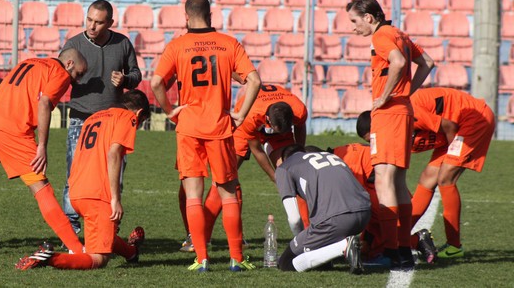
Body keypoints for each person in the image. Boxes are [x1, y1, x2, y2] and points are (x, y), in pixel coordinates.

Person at [151, 0, 262, 272]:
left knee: (193, 195)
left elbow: (155, 83)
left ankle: (201, 258)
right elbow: (254, 80)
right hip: (219, 126)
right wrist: (240, 114)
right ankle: (236, 258)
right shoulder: (228, 43)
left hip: (188, 127)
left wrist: (170, 111)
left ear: (186, 17)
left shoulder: (177, 46)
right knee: (228, 193)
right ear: (210, 16)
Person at [0, 49, 88, 256]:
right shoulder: (60, 73)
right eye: (78, 74)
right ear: (70, 63)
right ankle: (76, 248)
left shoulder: (29, 62)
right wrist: (42, 146)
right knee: (41, 188)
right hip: (12, 129)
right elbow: (44, 104)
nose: (77, 80)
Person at [15, 89, 151, 270]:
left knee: (103, 232)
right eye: (141, 122)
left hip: (77, 191)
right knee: (99, 259)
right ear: (139, 113)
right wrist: (115, 199)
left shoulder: (93, 118)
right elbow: (113, 154)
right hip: (98, 193)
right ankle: (50, 258)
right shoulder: (127, 117)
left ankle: (131, 252)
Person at [346, 0, 434, 269]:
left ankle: (391, 251)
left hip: (388, 115)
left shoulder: (381, 35)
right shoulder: (399, 34)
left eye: (354, 21)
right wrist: (406, 93)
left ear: (368, 17)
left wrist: (385, 96)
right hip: (403, 112)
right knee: (397, 183)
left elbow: (397, 62)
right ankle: (404, 250)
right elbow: (427, 62)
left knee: (384, 180)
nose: (353, 27)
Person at [179, 85, 308, 251]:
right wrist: (275, 177)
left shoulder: (299, 110)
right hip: (243, 125)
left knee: (295, 173)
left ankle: (308, 232)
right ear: (268, 121)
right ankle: (201, 238)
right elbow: (257, 149)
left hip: (271, 117)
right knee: (224, 178)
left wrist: (298, 152)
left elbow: (300, 127)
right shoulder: (250, 115)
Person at [61, 0, 142, 234]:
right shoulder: (74, 44)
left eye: (98, 22)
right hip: (81, 118)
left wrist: (126, 79)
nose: (91, 26)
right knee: (75, 175)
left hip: (112, 121)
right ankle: (71, 228)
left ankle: (108, 225)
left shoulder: (122, 43)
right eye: (89, 20)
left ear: (110, 23)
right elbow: (60, 75)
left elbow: (136, 74)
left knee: (113, 175)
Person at [409, 87, 494, 259]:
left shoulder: (408, 113)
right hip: (452, 128)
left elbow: (449, 126)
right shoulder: (393, 125)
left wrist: (451, 155)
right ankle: (400, 233)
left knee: (446, 178)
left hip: (473, 119)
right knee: (427, 178)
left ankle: (454, 246)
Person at [329, 140, 437, 266]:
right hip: (387, 196)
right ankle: (412, 241)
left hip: (389, 201)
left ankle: (416, 240)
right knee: (364, 248)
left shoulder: (345, 160)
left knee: (372, 249)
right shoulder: (342, 154)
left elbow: (355, 202)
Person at [271, 145, 371, 274]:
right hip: (364, 213)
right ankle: (332, 252)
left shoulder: (285, 167)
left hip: (335, 220)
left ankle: (344, 246)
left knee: (286, 262)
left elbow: (294, 219)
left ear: (284, 159)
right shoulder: (331, 157)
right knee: (320, 254)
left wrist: (302, 242)